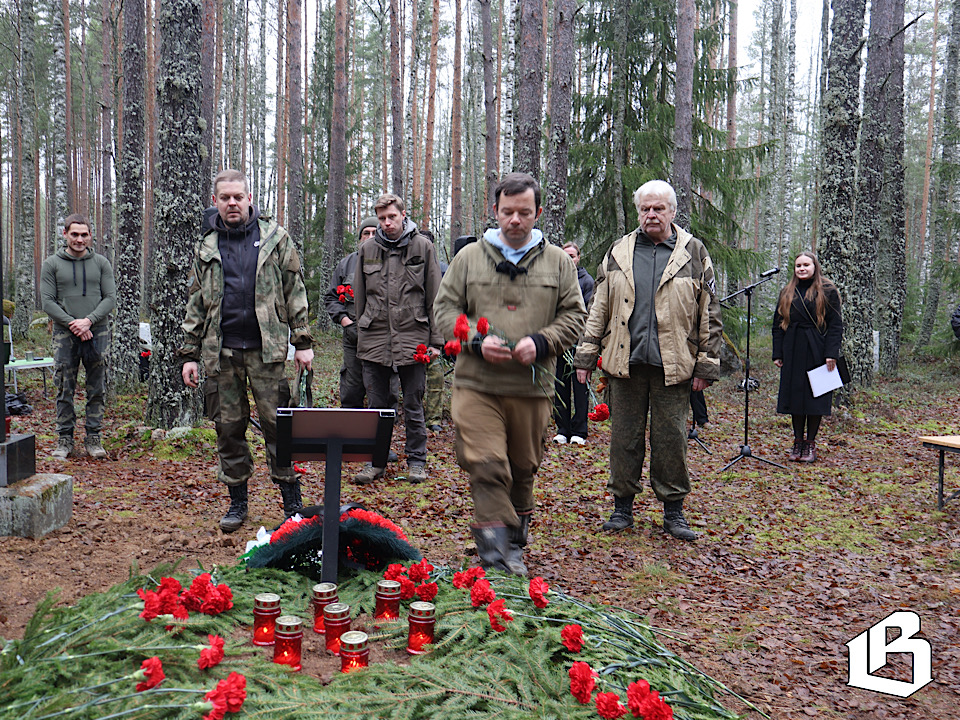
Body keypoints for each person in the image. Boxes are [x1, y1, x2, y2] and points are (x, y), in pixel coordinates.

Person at [434, 172, 586, 575]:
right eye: (507, 212)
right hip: (477, 384)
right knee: (485, 463)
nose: (515, 220)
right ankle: (496, 558)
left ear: (537, 212)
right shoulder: (469, 258)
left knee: (522, 468)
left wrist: (542, 341)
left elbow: (575, 316)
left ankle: (514, 542)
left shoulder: (557, 263)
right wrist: (473, 341)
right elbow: (444, 311)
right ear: (495, 212)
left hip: (531, 388)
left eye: (524, 212)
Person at [573, 180, 722, 541]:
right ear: (638, 211)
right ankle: (622, 508)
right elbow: (599, 308)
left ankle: (674, 513)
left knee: (671, 439)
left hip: (674, 366)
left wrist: (706, 364)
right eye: (645, 209)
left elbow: (711, 312)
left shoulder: (694, 252)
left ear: (672, 211)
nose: (651, 215)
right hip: (625, 362)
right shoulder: (619, 251)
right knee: (624, 438)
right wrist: (586, 355)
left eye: (658, 208)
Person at [179, 169, 314, 533]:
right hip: (220, 355)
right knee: (228, 428)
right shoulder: (205, 247)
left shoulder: (275, 238)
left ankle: (292, 504)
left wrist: (302, 342)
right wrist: (189, 353)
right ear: (215, 202)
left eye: (238, 196)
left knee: (279, 427)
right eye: (225, 198)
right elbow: (196, 302)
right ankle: (238, 503)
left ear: (249, 197)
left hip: (266, 353)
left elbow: (295, 290)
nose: (232, 203)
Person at [353, 194, 443, 485]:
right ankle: (375, 462)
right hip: (376, 338)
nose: (387, 223)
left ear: (404, 214)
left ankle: (417, 461)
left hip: (413, 336)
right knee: (377, 406)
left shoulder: (423, 247)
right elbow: (360, 298)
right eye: (381, 218)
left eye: (392, 216)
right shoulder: (367, 249)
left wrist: (436, 341)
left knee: (414, 404)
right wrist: (362, 334)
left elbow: (434, 296)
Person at [40, 213, 116, 460]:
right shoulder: (52, 264)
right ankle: (64, 439)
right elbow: (48, 301)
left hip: (98, 332)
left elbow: (110, 298)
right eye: (75, 234)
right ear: (65, 234)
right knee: (64, 386)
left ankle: (94, 438)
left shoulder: (101, 263)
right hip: (65, 333)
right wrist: (73, 323)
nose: (80, 239)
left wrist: (89, 321)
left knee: (97, 386)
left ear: (90, 235)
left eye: (84, 235)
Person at [772, 251, 843, 463]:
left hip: (817, 348)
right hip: (792, 347)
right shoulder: (787, 291)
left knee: (815, 397)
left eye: (806, 265)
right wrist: (778, 353)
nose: (802, 269)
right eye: (798, 266)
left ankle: (810, 443)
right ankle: (797, 441)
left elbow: (835, 325)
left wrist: (831, 353)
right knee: (795, 397)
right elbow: (777, 325)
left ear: (815, 267)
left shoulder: (828, 290)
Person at [553, 241, 594, 446]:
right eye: (565, 255)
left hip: (579, 345)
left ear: (578, 258)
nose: (569, 259)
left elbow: (590, 315)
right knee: (559, 386)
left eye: (573, 256)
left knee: (580, 388)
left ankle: (580, 430)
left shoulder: (586, 281)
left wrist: (585, 344)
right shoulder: (555, 280)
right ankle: (562, 428)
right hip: (559, 344)